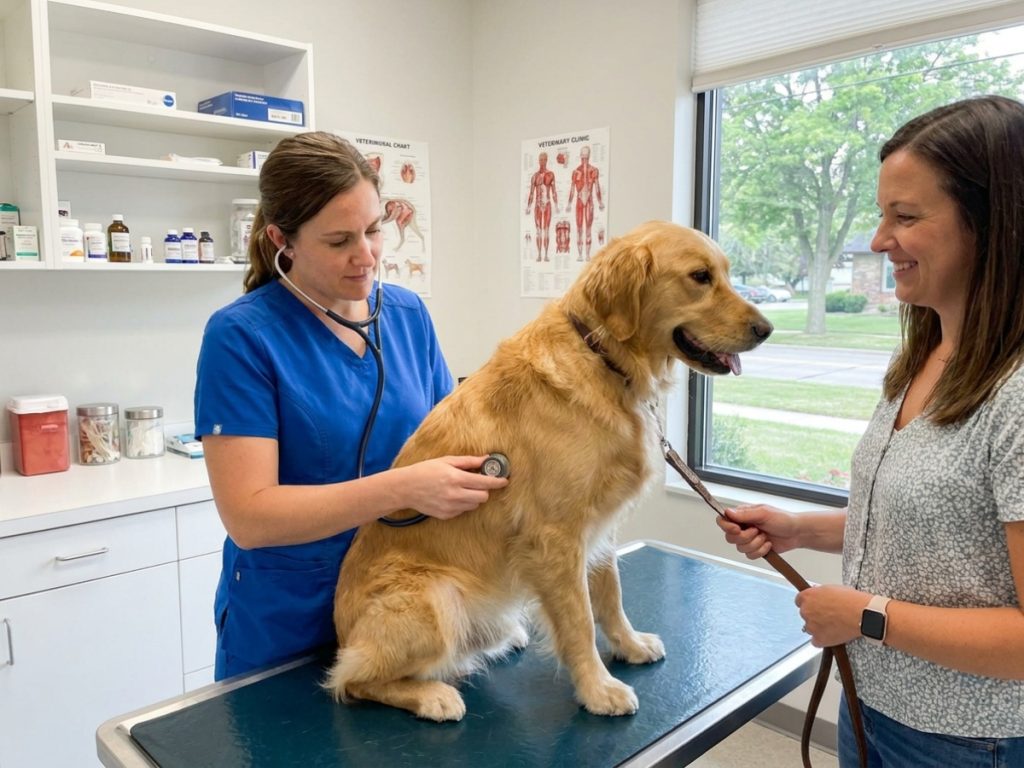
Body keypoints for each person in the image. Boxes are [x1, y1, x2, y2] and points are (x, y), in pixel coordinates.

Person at [718, 95, 1024, 766]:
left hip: (969, 740)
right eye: (882, 215)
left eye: (905, 217)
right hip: (871, 704)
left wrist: (868, 615)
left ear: (994, 223)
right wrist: (799, 528)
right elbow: (931, 524)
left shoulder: (1018, 395)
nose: (880, 240)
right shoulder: (925, 355)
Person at [194, 132, 507, 680]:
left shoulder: (407, 315)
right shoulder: (241, 337)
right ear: (280, 239)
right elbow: (249, 517)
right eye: (339, 240)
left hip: (404, 608)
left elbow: (450, 441)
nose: (366, 256)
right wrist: (405, 487)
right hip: (290, 623)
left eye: (373, 230)